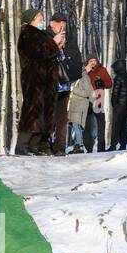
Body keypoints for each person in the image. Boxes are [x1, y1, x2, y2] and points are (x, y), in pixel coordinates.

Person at [16, 7, 61, 155]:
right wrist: (54, 44)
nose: (42, 21)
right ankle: (22, 145)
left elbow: (48, 53)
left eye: (42, 18)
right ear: (31, 20)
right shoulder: (28, 34)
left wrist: (56, 46)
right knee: (32, 111)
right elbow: (40, 52)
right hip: (34, 79)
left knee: (43, 113)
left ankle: (35, 145)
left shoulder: (40, 35)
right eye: (39, 18)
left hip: (45, 81)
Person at [48, 11, 84, 154]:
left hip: (64, 84)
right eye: (59, 24)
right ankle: (46, 145)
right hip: (49, 84)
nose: (62, 27)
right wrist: (55, 45)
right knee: (49, 117)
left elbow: (76, 58)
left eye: (64, 24)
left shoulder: (70, 39)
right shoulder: (45, 36)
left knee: (62, 117)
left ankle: (60, 147)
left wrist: (64, 49)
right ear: (52, 24)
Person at [69, 57, 107, 153]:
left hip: (90, 103)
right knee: (81, 125)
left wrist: (73, 89)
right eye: (91, 61)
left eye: (94, 61)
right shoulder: (80, 75)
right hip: (82, 103)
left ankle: (83, 145)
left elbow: (87, 92)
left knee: (80, 125)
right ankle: (83, 146)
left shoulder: (90, 75)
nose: (92, 63)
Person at [109, 58, 127, 151]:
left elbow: (115, 93)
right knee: (124, 125)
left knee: (116, 125)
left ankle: (113, 145)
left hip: (119, 106)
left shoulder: (118, 78)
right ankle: (123, 145)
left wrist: (114, 103)